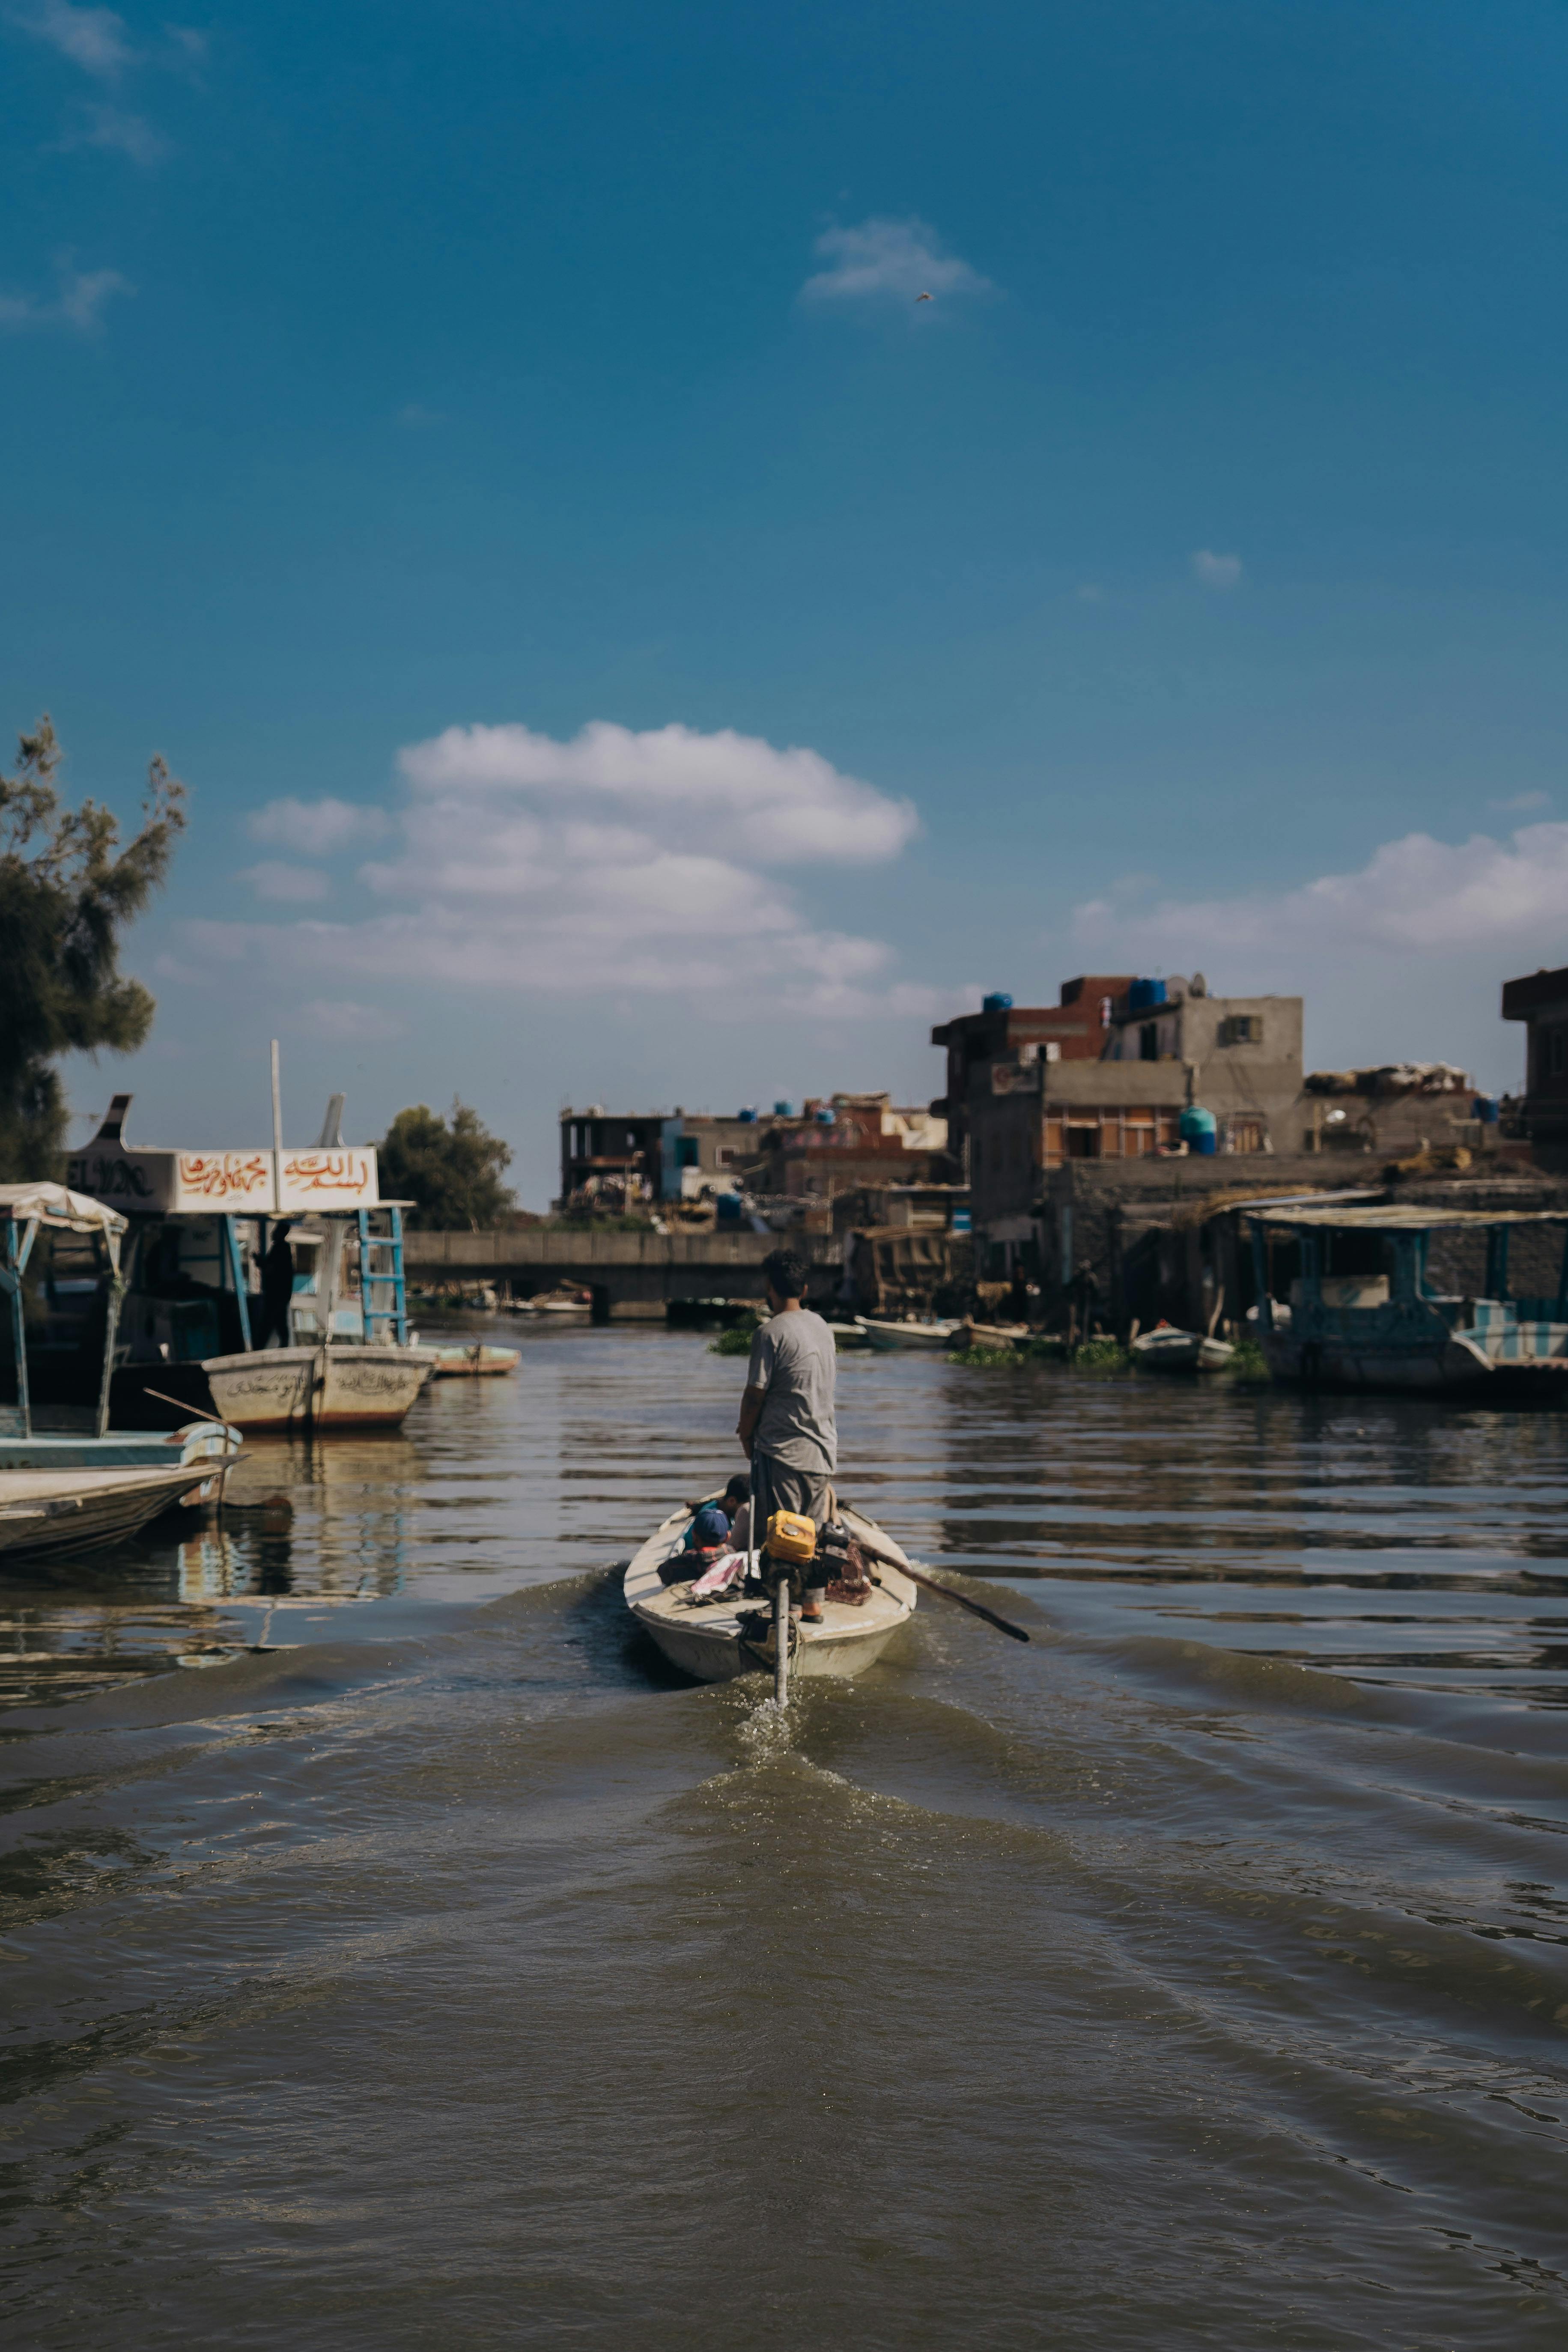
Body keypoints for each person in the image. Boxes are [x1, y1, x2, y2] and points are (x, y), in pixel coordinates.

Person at [736, 1247, 836, 1623]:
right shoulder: (823, 1327)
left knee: (783, 1533)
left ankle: (785, 1608)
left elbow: (754, 1395)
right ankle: (812, 1603)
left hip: (783, 1451)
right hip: (822, 1450)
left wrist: (747, 1436)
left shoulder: (769, 1332)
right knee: (812, 1534)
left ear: (769, 1288)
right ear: (805, 1287)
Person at [254, 1222, 296, 1350]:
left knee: (269, 1323)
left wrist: (260, 1262)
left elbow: (272, 1269)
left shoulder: (281, 1249)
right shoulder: (282, 1249)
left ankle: (258, 1350)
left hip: (276, 1295)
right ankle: (282, 1347)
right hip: (280, 1295)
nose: (272, 1233)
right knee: (279, 1323)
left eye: (275, 1231)